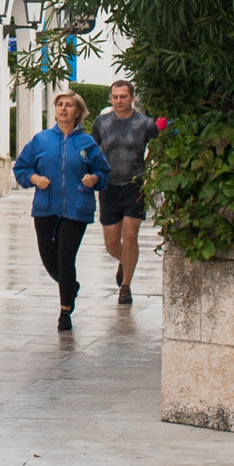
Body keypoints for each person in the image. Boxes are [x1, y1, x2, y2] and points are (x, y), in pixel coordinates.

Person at [15, 87, 110, 331]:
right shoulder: (41, 140)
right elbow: (21, 168)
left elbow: (104, 172)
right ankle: (70, 287)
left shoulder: (87, 143)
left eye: (69, 105)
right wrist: (35, 179)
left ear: (78, 112)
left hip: (77, 208)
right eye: (60, 105)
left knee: (66, 257)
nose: (63, 109)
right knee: (49, 259)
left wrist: (95, 179)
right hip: (46, 207)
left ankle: (65, 311)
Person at [93, 79, 156, 304]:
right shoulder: (101, 123)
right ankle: (124, 261)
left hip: (135, 185)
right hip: (109, 186)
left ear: (132, 97)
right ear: (111, 98)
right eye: (115, 97)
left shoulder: (145, 124)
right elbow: (92, 151)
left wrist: (154, 177)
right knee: (112, 244)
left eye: (123, 96)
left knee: (130, 236)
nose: (119, 101)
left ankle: (126, 287)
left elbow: (159, 149)